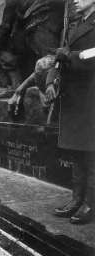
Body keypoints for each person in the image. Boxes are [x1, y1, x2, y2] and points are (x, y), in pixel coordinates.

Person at [45, 0, 95, 225]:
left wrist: (71, 56)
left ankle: (91, 205)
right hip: (74, 98)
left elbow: (88, 55)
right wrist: (51, 82)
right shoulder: (75, 25)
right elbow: (58, 58)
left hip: (90, 98)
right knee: (77, 153)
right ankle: (77, 199)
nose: (74, 0)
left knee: (92, 154)